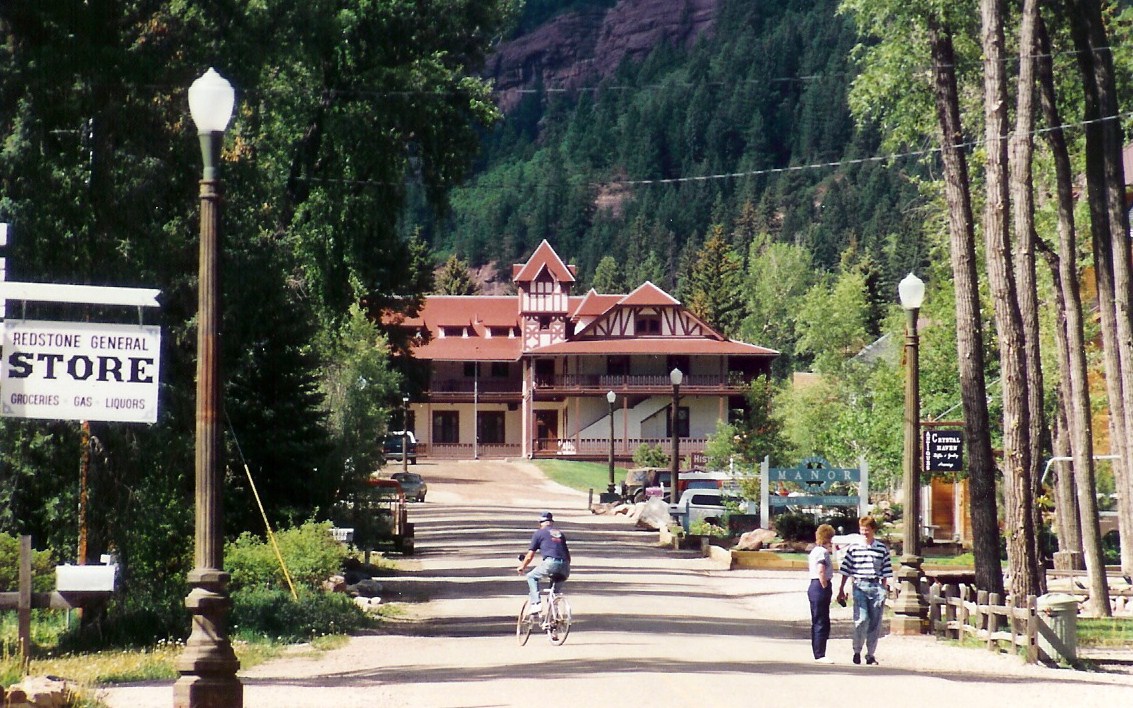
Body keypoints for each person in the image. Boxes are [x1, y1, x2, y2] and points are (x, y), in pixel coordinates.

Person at [836, 515, 892, 665]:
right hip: (860, 585)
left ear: (873, 530)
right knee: (861, 619)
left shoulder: (881, 549)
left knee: (875, 622)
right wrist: (841, 589)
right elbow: (846, 569)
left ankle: (870, 654)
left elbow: (886, 570)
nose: (864, 533)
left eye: (867, 530)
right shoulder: (854, 548)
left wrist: (884, 588)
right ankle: (857, 650)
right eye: (862, 530)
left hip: (876, 586)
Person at [516, 511, 571, 615]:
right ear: (551, 522)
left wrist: (522, 567)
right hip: (565, 566)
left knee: (531, 576)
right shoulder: (560, 534)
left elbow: (530, 555)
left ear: (540, 523)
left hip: (551, 563)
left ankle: (536, 604)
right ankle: (555, 616)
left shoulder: (539, 533)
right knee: (554, 593)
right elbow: (568, 556)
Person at [808, 523, 836, 664]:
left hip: (813, 586)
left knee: (817, 619)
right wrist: (825, 584)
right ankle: (820, 653)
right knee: (822, 621)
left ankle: (817, 651)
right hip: (819, 585)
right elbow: (821, 569)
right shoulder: (822, 552)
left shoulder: (814, 551)